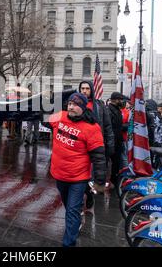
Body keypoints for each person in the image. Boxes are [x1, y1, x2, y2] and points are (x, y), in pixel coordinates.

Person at [44, 93, 106, 247]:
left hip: (78, 178)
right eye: (69, 103)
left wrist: (99, 181)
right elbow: (43, 118)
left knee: (71, 211)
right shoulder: (61, 116)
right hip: (59, 174)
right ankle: (76, 219)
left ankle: (68, 243)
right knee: (70, 208)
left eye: (75, 104)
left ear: (83, 107)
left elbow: (99, 157)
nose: (70, 107)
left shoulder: (91, 128)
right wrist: (50, 100)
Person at [78, 81, 114, 210]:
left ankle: (90, 195)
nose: (84, 91)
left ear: (91, 90)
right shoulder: (75, 105)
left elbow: (108, 126)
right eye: (82, 88)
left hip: (95, 145)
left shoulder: (99, 106)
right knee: (80, 175)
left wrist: (109, 146)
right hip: (79, 146)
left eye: (87, 88)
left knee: (93, 174)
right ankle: (81, 200)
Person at [106, 92, 125, 187]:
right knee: (106, 163)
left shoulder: (117, 110)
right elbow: (109, 128)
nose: (122, 101)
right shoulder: (109, 111)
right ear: (115, 100)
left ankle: (114, 181)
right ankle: (102, 184)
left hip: (117, 141)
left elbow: (118, 126)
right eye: (121, 99)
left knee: (116, 163)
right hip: (110, 142)